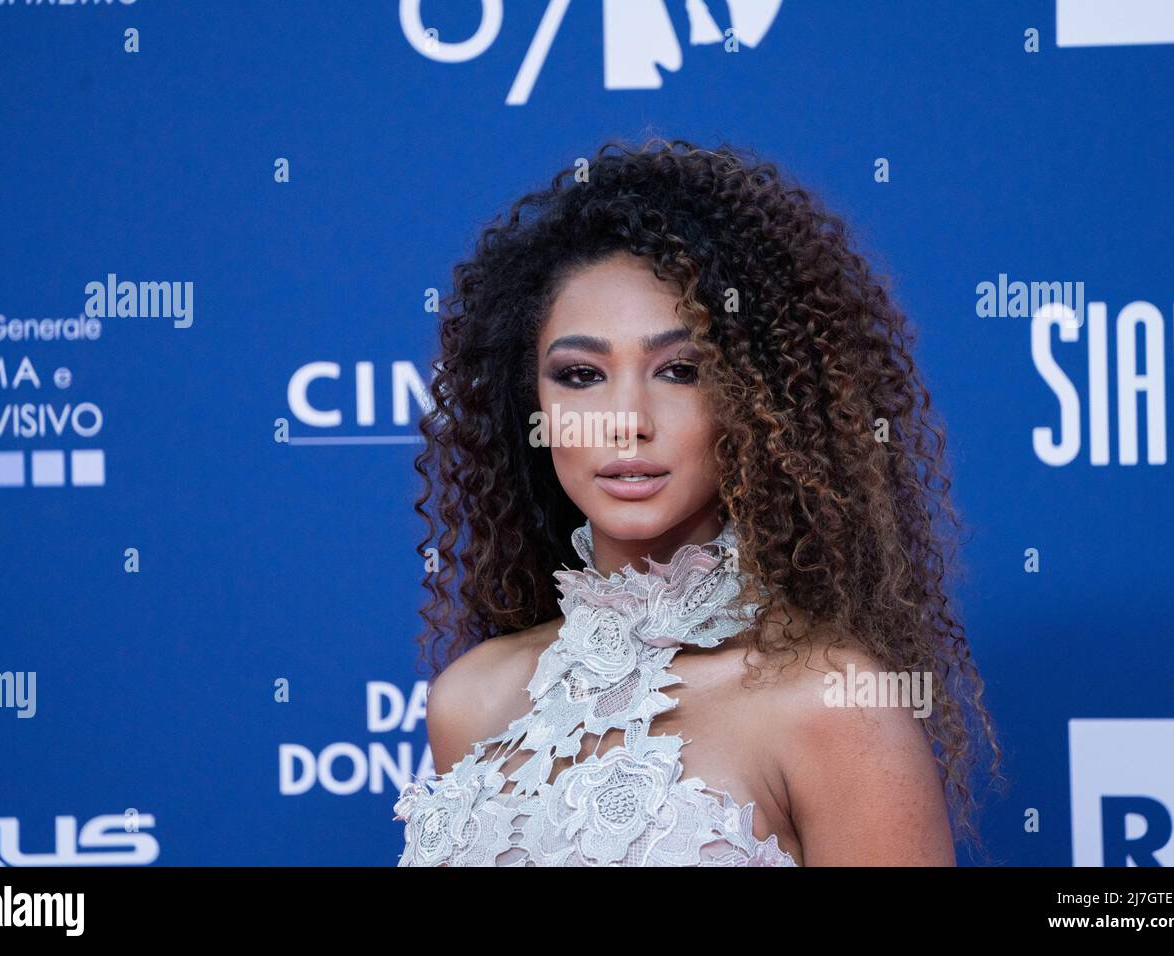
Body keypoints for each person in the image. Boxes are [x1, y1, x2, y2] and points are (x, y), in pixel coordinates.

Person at [394, 137, 1002, 866]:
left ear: (754, 398)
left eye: (680, 370)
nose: (626, 420)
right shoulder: (470, 701)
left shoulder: (835, 703)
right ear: (535, 408)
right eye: (581, 375)